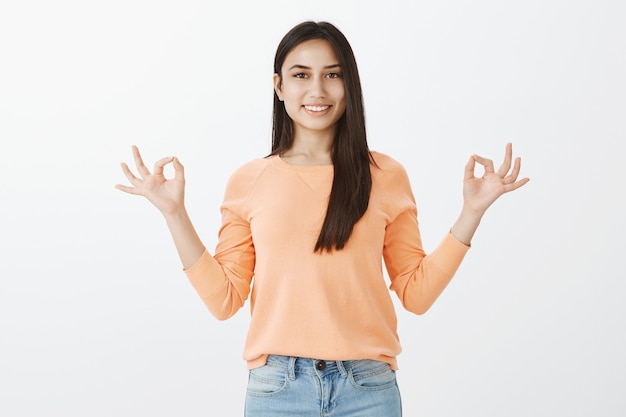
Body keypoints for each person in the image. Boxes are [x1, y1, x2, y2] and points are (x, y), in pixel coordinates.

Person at [116, 21, 528, 417]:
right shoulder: (249, 181)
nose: (317, 89)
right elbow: (225, 300)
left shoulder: (385, 176)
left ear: (350, 84)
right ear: (278, 86)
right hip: (277, 390)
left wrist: (472, 212)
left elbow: (416, 294)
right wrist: (174, 212)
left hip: (367, 388)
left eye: (332, 74)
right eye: (300, 75)